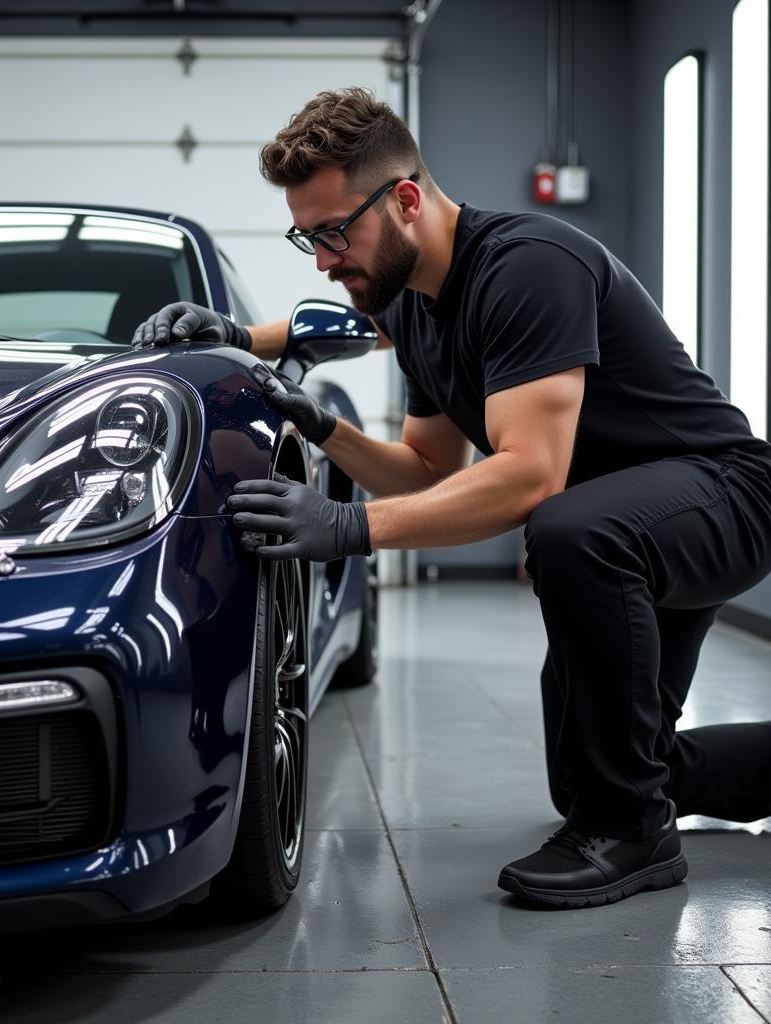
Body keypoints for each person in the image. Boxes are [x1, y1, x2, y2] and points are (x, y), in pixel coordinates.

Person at [131, 87, 771, 908]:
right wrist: (299, 403)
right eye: (308, 238)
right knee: (593, 772)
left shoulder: (528, 266)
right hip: (626, 521)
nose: (324, 259)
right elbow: (431, 470)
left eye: (335, 233)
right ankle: (627, 801)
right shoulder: (413, 306)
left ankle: (634, 836)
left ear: (404, 199)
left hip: (724, 493)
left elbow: (529, 475)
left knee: (566, 527)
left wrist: (346, 527)